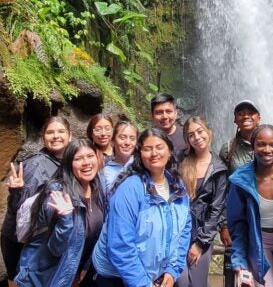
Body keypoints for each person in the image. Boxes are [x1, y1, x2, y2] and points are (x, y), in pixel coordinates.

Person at [92, 128, 192, 287]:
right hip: (117, 276)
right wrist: (142, 283)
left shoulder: (177, 185)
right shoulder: (130, 189)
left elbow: (184, 229)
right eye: (147, 148)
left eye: (159, 147)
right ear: (139, 154)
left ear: (170, 151)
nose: (154, 153)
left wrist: (173, 269)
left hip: (153, 273)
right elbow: (120, 244)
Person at [15, 138, 106, 287]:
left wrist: (85, 267)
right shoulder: (57, 193)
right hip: (43, 278)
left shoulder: (97, 189)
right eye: (78, 159)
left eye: (90, 156)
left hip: (69, 273)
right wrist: (66, 219)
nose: (86, 163)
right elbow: (56, 249)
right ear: (69, 164)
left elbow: (95, 234)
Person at [228, 124, 273, 287]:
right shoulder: (241, 181)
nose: (266, 149)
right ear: (253, 146)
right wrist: (239, 262)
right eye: (261, 144)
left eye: (272, 144)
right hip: (258, 245)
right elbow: (237, 225)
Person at [1, 116, 71, 285]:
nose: (56, 136)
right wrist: (16, 191)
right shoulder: (36, 164)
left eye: (61, 131)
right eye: (50, 132)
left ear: (70, 136)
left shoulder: (67, 163)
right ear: (43, 137)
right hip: (19, 238)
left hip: (39, 238)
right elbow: (19, 209)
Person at [177, 117, 228, 287]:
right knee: (181, 281)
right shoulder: (180, 161)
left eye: (200, 132)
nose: (197, 137)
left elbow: (216, 209)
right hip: (178, 233)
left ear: (209, 133)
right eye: (191, 135)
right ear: (187, 139)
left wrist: (200, 244)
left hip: (202, 235)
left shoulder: (219, 169)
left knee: (197, 282)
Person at [219, 100, 261, 287]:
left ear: (259, 118)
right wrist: (223, 225)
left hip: (265, 219)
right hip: (237, 219)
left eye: (251, 113)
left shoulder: (269, 142)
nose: (246, 116)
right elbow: (221, 189)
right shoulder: (228, 149)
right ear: (235, 119)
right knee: (235, 273)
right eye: (240, 113)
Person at [101, 120, 139, 193]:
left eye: (132, 138)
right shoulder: (105, 172)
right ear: (112, 141)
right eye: (122, 137)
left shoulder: (141, 166)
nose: (127, 143)